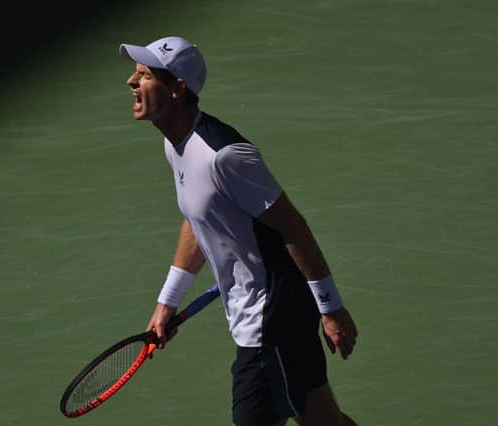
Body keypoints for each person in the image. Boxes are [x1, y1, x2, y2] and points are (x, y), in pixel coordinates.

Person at [119, 36, 359, 426]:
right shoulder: (176, 146)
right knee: (322, 420)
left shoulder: (225, 156)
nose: (131, 82)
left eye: (144, 75)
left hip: (271, 320)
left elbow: (294, 227)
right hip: (268, 312)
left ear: (177, 88)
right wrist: (169, 300)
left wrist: (330, 309)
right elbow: (201, 219)